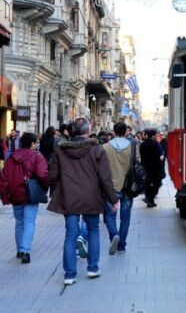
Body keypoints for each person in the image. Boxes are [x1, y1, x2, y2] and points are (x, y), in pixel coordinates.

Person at [48, 117, 119, 285]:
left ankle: (69, 275)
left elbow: (53, 176)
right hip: (91, 197)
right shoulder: (97, 150)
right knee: (93, 230)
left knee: (70, 234)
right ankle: (93, 268)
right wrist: (113, 199)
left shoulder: (60, 150)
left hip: (69, 196)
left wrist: (57, 192)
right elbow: (105, 178)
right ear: (88, 131)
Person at [0, 132, 50, 264]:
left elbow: (4, 178)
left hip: (15, 194)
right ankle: (25, 251)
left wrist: (4, 196)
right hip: (30, 194)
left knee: (19, 222)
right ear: (33, 143)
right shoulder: (37, 157)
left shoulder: (11, 158)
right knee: (29, 222)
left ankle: (19, 250)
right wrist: (45, 187)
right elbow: (42, 174)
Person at [102, 122, 138, 254]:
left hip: (111, 187)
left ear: (114, 131)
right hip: (128, 187)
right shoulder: (133, 147)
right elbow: (137, 163)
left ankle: (113, 235)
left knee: (110, 215)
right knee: (125, 217)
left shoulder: (105, 147)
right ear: (126, 132)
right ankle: (122, 245)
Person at [140, 130, 163, 207]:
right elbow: (160, 155)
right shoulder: (156, 144)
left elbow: (141, 155)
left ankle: (148, 198)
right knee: (156, 183)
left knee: (147, 183)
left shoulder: (142, 144)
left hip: (145, 167)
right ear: (153, 136)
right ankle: (150, 198)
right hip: (155, 168)